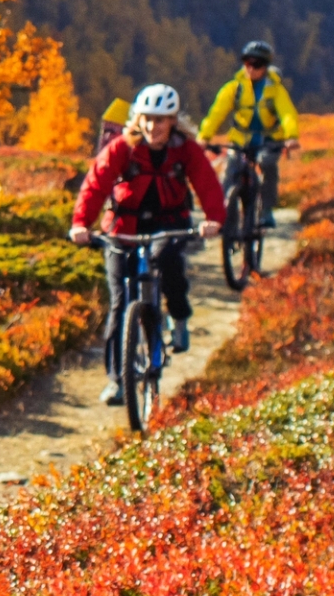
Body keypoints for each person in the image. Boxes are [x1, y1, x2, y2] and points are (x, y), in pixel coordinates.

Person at [68, 84, 224, 401]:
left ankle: (178, 316)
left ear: (173, 122)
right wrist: (81, 224)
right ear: (138, 119)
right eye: (148, 119)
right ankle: (117, 380)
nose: (154, 127)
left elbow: (207, 183)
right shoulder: (120, 148)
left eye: (161, 120)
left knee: (167, 264)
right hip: (124, 225)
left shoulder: (186, 149)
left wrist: (214, 219)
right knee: (119, 303)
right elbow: (95, 184)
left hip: (169, 223)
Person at [199, 41, 300, 208]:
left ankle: (266, 209)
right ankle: (223, 214)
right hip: (241, 140)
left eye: (257, 64)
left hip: (268, 141)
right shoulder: (234, 88)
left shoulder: (276, 90)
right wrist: (204, 136)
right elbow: (216, 113)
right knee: (231, 172)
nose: (251, 68)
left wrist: (291, 137)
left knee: (267, 164)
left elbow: (287, 113)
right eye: (247, 63)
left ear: (266, 66)